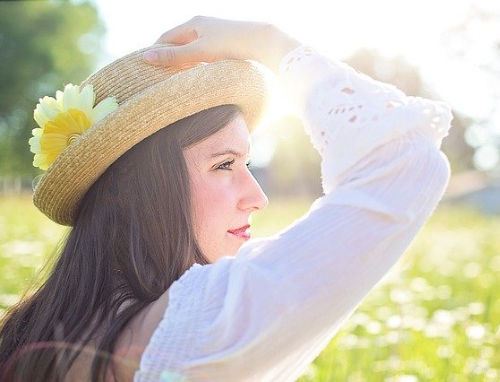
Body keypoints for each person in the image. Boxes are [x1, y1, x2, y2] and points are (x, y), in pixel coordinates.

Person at [0, 15, 453, 382]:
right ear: (140, 189)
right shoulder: (197, 330)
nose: (256, 198)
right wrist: (270, 43)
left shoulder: (34, 326)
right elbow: (408, 163)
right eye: (223, 165)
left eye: (248, 166)